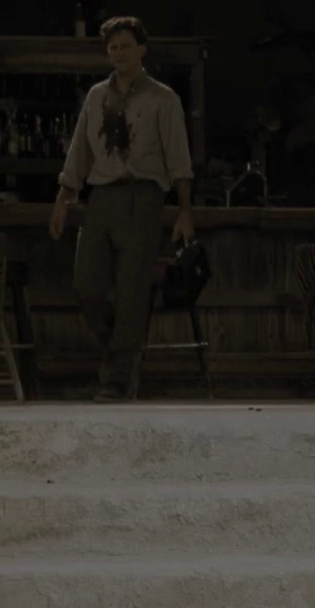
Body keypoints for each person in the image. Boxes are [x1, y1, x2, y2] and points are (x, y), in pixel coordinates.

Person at [48, 15, 195, 403]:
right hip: (101, 196)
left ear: (141, 49)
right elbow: (80, 150)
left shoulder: (163, 98)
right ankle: (122, 350)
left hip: (143, 196)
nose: (119, 53)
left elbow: (178, 158)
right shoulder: (97, 96)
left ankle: (116, 379)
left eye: (126, 46)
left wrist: (185, 211)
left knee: (131, 291)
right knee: (87, 286)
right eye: (113, 48)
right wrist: (63, 199)